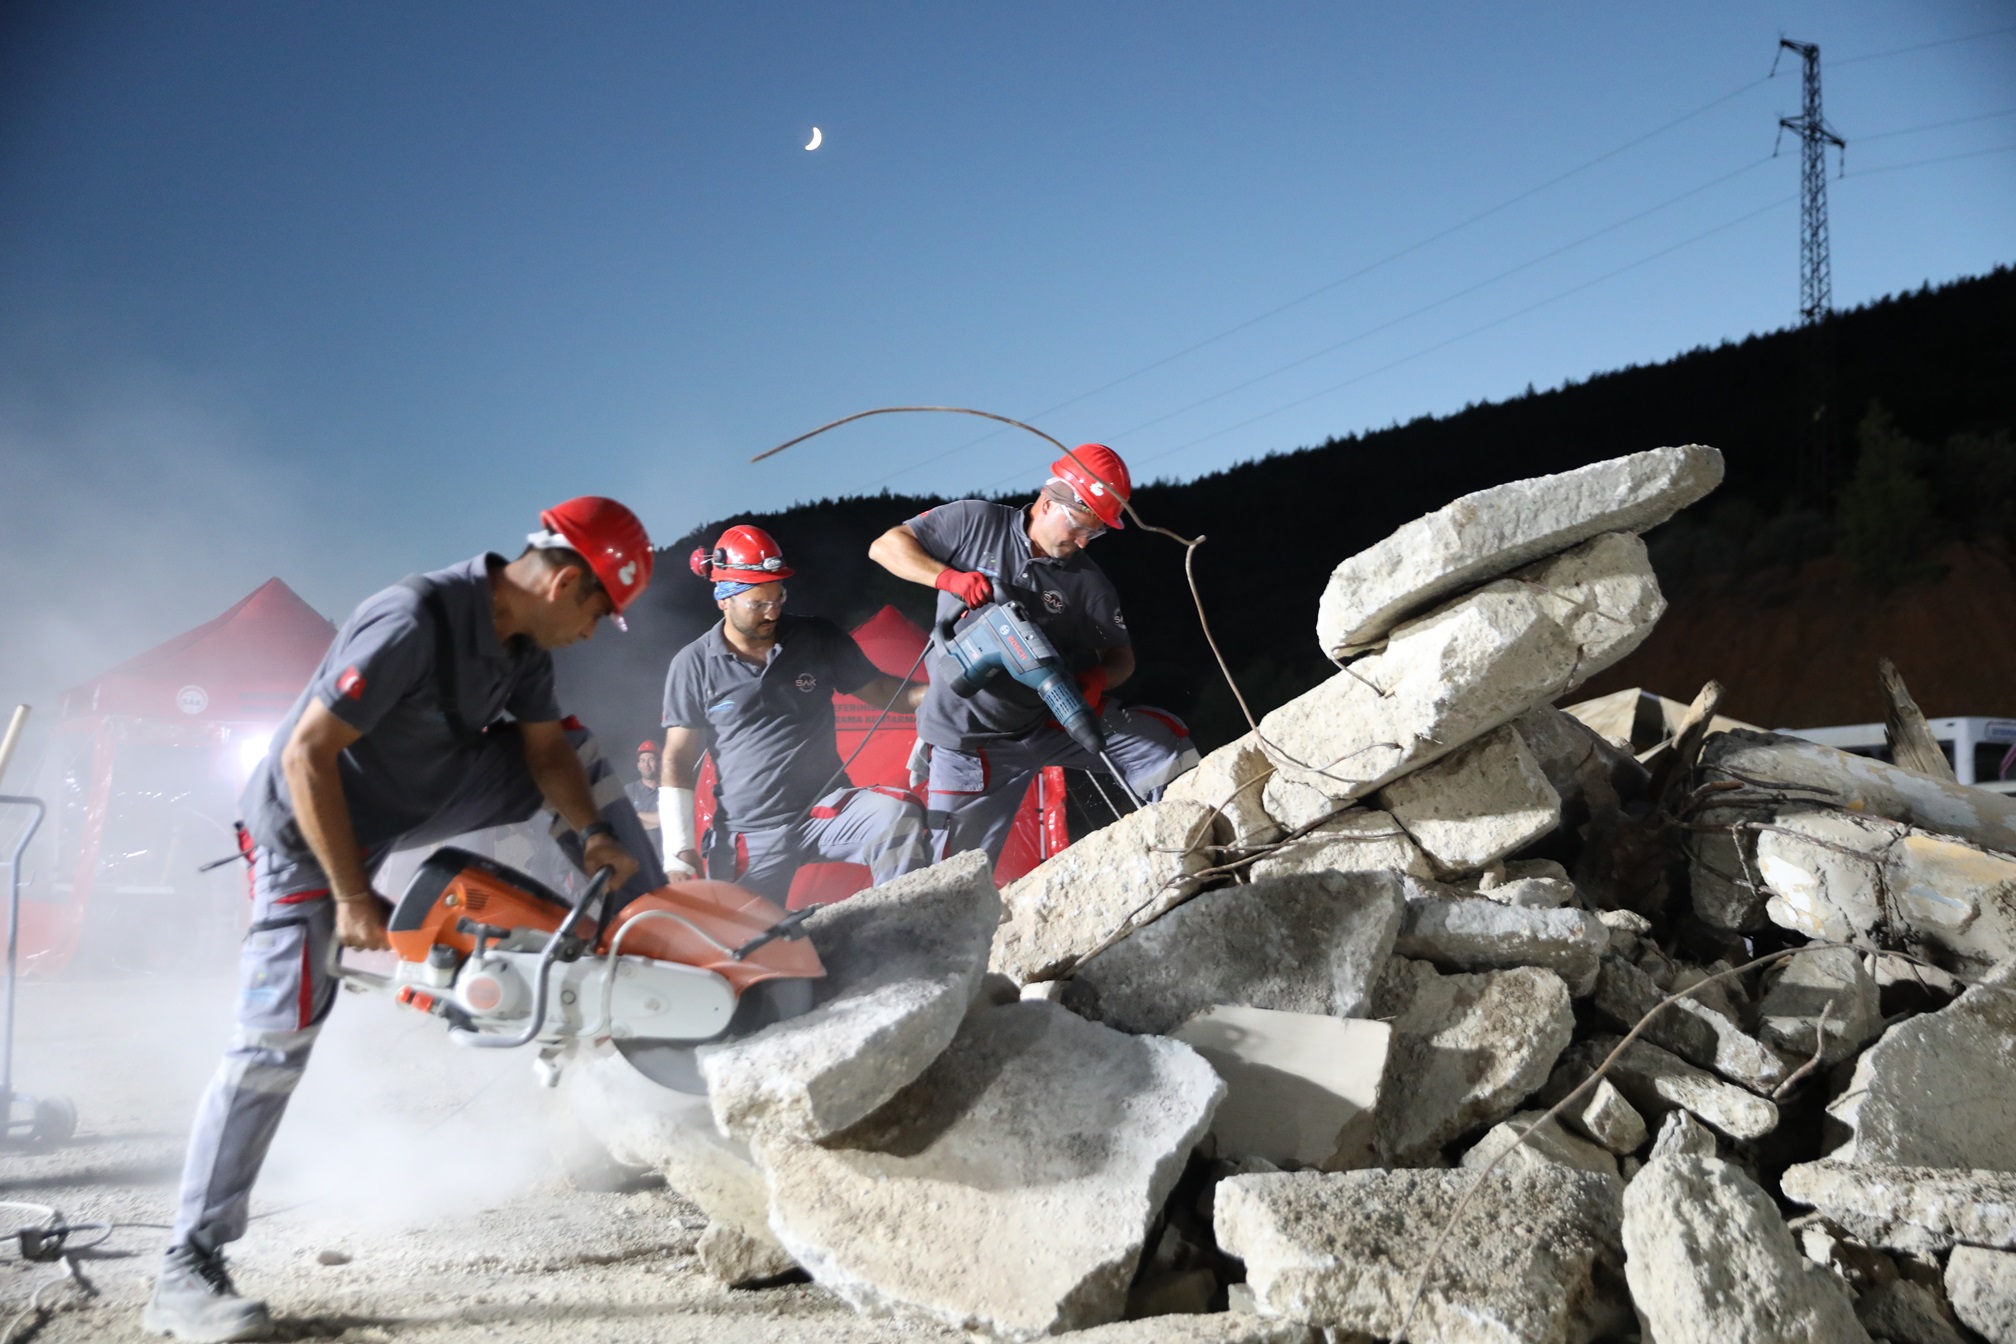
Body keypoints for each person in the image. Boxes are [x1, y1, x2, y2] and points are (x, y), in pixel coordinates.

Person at [147, 497, 664, 1343]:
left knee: (576, 750)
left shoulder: (526, 643)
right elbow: (305, 754)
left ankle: (650, 948)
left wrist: (601, 839)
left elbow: (541, 754)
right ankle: (186, 1265)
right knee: (276, 1036)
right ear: (569, 582)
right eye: (601, 613)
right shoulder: (411, 618)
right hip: (306, 832)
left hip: (414, 798)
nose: (596, 631)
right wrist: (353, 896)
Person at [867, 443, 1198, 865]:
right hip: (967, 741)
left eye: (1094, 533)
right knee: (949, 876)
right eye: (1079, 525)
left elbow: (1120, 657)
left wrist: (1094, 680)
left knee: (1162, 740)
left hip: (1047, 721)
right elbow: (885, 547)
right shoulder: (975, 522)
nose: (1083, 541)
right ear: (1048, 500)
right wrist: (947, 578)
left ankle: (1191, 844)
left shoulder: (1087, 584)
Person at [658, 524, 933, 903]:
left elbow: (884, 691)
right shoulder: (693, 664)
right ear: (724, 599)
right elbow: (677, 757)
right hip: (748, 833)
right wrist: (678, 847)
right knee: (742, 942)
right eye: (758, 604)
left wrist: (944, 693)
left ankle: (900, 934)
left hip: (825, 808)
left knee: (898, 817)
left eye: (778, 598)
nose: (772, 612)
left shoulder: (816, 638)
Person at [626, 739, 662, 831]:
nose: (646, 764)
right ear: (638, 765)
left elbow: (667, 818)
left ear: (659, 763)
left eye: (651, 760)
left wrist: (636, 814)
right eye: (642, 760)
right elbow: (625, 822)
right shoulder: (629, 790)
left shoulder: (667, 790)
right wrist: (658, 824)